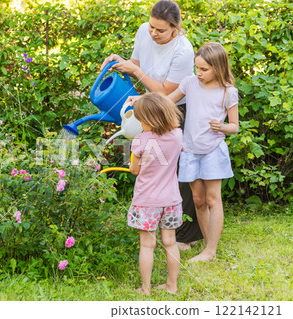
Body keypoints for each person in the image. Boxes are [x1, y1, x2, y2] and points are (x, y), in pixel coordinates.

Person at [101, 0, 203, 248]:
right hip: (148, 104)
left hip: (174, 108)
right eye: (151, 27)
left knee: (177, 169)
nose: (153, 33)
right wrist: (120, 61)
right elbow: (136, 65)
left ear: (175, 28)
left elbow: (167, 93)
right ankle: (155, 223)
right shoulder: (143, 31)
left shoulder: (183, 50)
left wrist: (136, 73)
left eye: (160, 30)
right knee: (152, 165)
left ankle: (185, 236)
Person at [168, 42, 239, 262]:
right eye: (196, 67)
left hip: (213, 150)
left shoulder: (228, 92)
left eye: (204, 69)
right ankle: (208, 248)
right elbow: (167, 100)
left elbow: (235, 127)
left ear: (218, 67)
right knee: (198, 200)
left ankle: (210, 251)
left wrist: (222, 127)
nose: (198, 73)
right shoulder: (190, 83)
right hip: (189, 150)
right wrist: (142, 100)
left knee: (212, 198)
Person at [129, 92, 183, 295]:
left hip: (146, 202)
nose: (140, 124)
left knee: (147, 244)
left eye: (141, 120)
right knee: (170, 242)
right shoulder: (177, 135)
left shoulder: (140, 140)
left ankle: (146, 288)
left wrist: (135, 161)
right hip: (171, 201)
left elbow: (135, 170)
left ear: (150, 120)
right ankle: (172, 285)